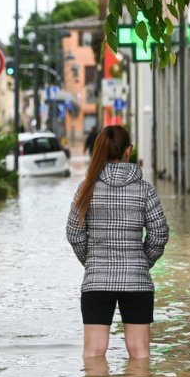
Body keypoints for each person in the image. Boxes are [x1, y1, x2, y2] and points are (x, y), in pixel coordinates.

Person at [66, 125, 169, 359]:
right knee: (140, 353)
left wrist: (92, 261)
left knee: (93, 353)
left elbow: (74, 233)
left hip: (97, 281)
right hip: (137, 281)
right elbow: (159, 234)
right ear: (128, 150)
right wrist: (143, 262)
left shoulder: (87, 188)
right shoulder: (145, 189)